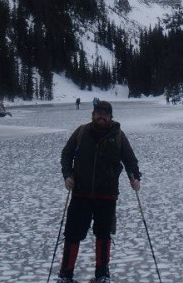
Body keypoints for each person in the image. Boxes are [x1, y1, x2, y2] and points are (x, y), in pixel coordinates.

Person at [57, 99, 141, 283]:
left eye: (105, 113)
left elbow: (130, 159)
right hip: (80, 193)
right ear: (93, 115)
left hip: (107, 195)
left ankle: (102, 275)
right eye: (98, 113)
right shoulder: (81, 132)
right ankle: (65, 275)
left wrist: (134, 176)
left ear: (110, 117)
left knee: (103, 234)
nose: (101, 116)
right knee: (72, 234)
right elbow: (66, 154)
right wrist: (67, 175)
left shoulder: (118, 135)